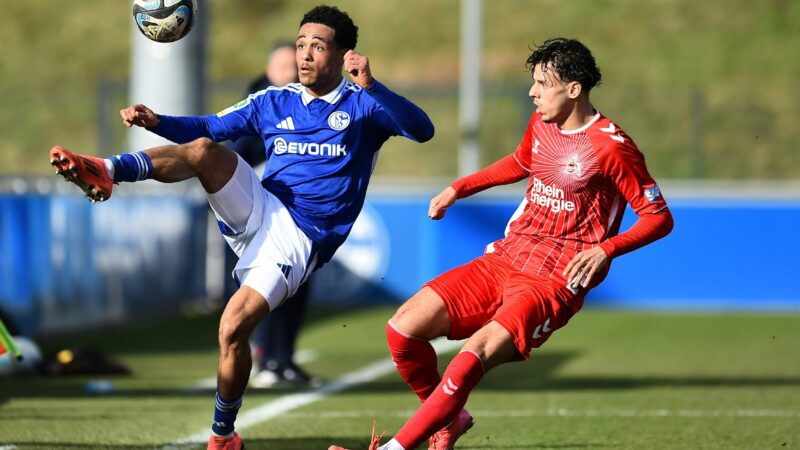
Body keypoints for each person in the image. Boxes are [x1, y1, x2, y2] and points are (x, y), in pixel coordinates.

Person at [49, 5, 434, 450]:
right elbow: (211, 126)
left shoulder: (365, 106)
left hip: (300, 238)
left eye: (318, 46)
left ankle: (223, 436)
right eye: (301, 44)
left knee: (232, 328)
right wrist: (158, 122)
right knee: (204, 150)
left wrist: (372, 84)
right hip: (261, 206)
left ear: (346, 54)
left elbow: (422, 130)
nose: (305, 55)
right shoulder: (274, 99)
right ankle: (107, 169)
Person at [329, 37, 674, 450]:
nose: (532, 92)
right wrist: (459, 188)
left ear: (574, 89)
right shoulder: (543, 124)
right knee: (402, 329)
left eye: (543, 84)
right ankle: (450, 419)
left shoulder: (611, 147)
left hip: (554, 278)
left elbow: (659, 217)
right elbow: (519, 162)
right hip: (508, 255)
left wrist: (606, 249)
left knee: (473, 354)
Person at [225, 41, 322, 389]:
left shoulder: (313, 104)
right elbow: (233, 156)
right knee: (260, 289)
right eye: (283, 65)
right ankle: (264, 358)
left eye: (293, 65)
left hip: (298, 216)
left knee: (297, 289)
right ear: (268, 70)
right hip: (255, 215)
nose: (291, 71)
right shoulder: (256, 105)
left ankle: (285, 359)